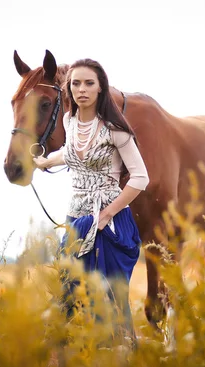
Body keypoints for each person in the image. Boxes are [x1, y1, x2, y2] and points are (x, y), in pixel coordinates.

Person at [33, 58, 149, 347]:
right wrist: (46, 161)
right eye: (75, 84)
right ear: (68, 89)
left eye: (89, 83)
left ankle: (120, 357)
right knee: (68, 293)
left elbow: (140, 177)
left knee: (106, 298)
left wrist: (108, 213)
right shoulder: (69, 122)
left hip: (107, 222)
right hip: (76, 220)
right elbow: (75, 153)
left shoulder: (115, 129)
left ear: (100, 88)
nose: (81, 89)